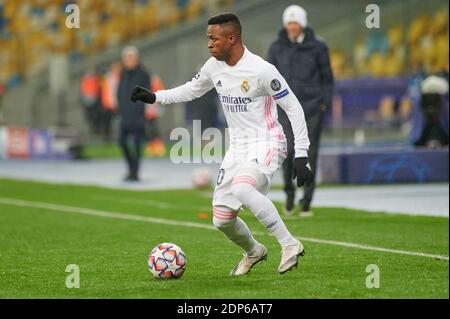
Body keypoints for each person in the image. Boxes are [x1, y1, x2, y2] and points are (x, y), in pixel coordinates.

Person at [131, 13, 313, 276]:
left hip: (268, 141)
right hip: (237, 148)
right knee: (222, 219)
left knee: (243, 188)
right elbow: (190, 89)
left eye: (213, 39)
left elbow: (293, 108)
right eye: (208, 38)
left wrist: (302, 153)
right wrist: (155, 97)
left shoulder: (262, 70)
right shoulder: (213, 66)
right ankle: (254, 251)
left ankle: (289, 244)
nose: (209, 44)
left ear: (232, 38)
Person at [267, 5, 334, 217]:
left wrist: (324, 102)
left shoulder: (318, 46)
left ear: (303, 24)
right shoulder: (276, 47)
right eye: (289, 23)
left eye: (295, 23)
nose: (292, 27)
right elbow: (268, 77)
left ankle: (306, 201)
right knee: (287, 151)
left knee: (310, 154)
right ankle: (289, 194)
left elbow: (327, 77)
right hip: (285, 110)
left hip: (312, 108)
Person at [117, 46, 150, 181]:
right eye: (126, 58)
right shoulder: (122, 74)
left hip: (137, 115)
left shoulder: (143, 74)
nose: (128, 61)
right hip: (125, 115)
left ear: (137, 59)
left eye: (131, 58)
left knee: (137, 144)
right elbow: (120, 92)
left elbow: (147, 93)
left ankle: (135, 172)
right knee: (121, 142)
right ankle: (131, 168)